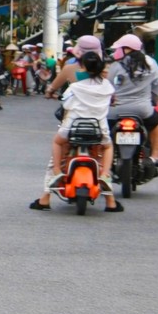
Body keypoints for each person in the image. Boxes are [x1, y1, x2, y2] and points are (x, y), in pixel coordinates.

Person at [29, 51, 122, 212]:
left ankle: (50, 188)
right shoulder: (107, 86)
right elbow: (112, 100)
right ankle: (108, 189)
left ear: (83, 67)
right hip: (98, 130)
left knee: (58, 143)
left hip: (72, 129)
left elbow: (65, 103)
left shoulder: (75, 87)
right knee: (107, 148)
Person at [106, 33, 158, 167]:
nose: (117, 51)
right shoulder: (150, 63)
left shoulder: (116, 65)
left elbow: (108, 85)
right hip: (143, 110)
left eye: (119, 48)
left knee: (104, 131)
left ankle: (105, 158)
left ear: (127, 48)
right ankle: (156, 156)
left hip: (116, 110)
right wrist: (156, 100)